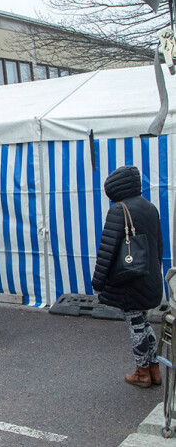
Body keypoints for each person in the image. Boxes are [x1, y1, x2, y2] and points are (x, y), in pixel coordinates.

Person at [92, 165, 163, 388]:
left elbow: (108, 250)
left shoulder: (119, 210)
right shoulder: (150, 207)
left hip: (129, 281)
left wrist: (98, 282)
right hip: (150, 278)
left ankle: (142, 373)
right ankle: (154, 369)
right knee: (144, 322)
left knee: (135, 325)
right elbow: (158, 246)